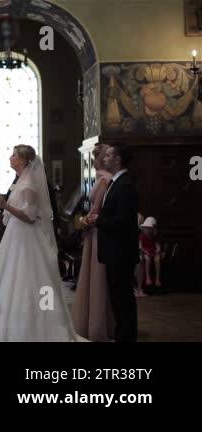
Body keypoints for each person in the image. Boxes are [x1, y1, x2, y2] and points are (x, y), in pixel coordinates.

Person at [0, 145, 77, 341]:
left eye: (14, 155)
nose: (10, 157)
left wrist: (6, 205)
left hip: (27, 238)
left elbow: (30, 217)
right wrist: (1, 206)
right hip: (15, 236)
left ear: (23, 160)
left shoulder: (30, 183)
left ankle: (40, 325)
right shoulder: (20, 180)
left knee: (33, 278)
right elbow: (14, 209)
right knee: (10, 277)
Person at [88, 142, 139, 343]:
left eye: (109, 155)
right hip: (115, 251)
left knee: (123, 299)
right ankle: (123, 336)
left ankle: (126, 337)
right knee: (119, 299)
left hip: (121, 252)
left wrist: (97, 220)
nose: (105, 158)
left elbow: (122, 221)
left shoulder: (125, 184)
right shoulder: (117, 182)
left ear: (118, 160)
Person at [72, 144, 114, 342]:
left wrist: (83, 221)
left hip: (96, 232)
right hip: (94, 231)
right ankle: (97, 322)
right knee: (93, 275)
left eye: (100, 156)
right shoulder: (100, 175)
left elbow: (95, 211)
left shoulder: (104, 179)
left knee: (96, 276)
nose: (99, 159)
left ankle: (96, 324)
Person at [139, 216, 162, 289]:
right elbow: (140, 247)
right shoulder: (142, 236)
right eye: (146, 228)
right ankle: (148, 278)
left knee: (157, 259)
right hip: (145, 252)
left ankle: (157, 279)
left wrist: (157, 251)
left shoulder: (154, 237)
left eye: (149, 229)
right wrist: (145, 252)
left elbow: (157, 246)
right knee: (147, 259)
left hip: (153, 252)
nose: (147, 230)